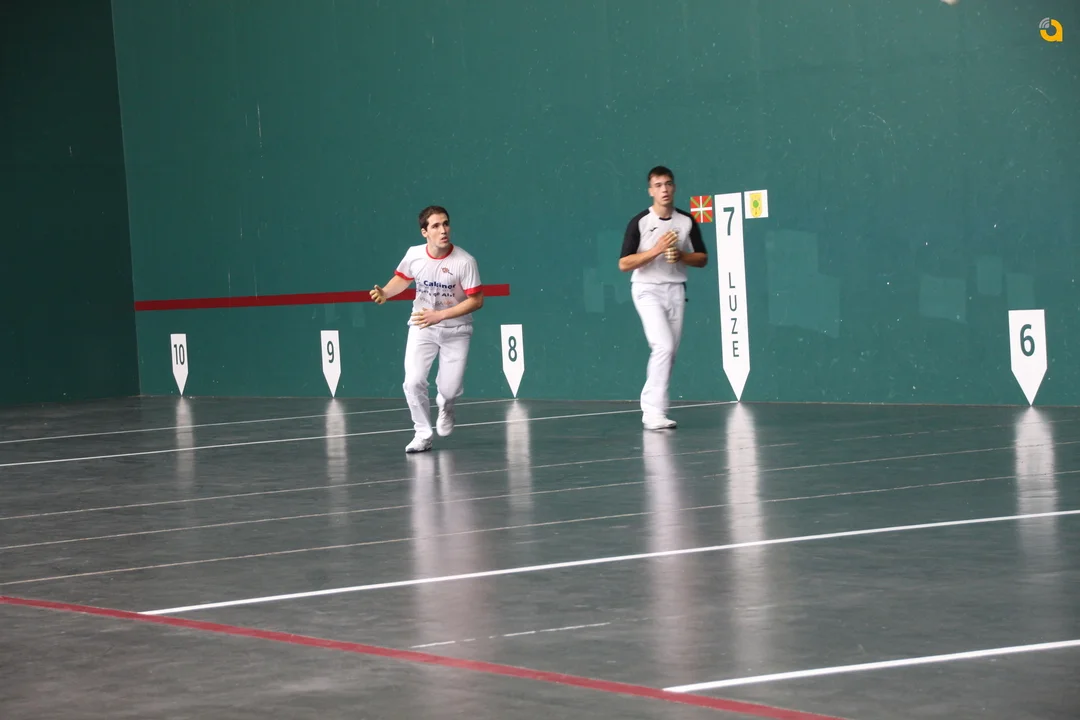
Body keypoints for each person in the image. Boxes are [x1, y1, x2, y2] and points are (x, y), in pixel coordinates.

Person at [370, 206, 484, 453]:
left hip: (457, 330)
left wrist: (440, 315)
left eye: (446, 224)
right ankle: (422, 434)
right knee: (412, 382)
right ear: (425, 232)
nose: (443, 230)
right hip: (422, 325)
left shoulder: (465, 261)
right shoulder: (414, 254)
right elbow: (403, 278)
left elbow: (476, 301)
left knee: (449, 390)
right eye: (436, 226)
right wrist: (386, 293)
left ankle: (446, 405)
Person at [619, 166, 708, 430]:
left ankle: (657, 410)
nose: (664, 189)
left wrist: (681, 255)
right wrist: (657, 249)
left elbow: (702, 258)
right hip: (647, 289)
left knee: (669, 352)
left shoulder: (686, 221)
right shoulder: (640, 222)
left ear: (674, 187)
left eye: (668, 184)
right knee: (663, 347)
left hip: (676, 290)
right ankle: (652, 412)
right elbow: (624, 264)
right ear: (650, 191)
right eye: (658, 185)